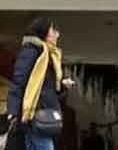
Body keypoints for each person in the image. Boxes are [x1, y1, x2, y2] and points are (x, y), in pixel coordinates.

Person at [7, 17, 76, 150]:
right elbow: (19, 80)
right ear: (43, 32)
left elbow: (49, 89)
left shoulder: (49, 56)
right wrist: (13, 110)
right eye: (53, 31)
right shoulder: (31, 52)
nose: (57, 34)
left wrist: (62, 85)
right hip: (34, 116)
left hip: (44, 116)